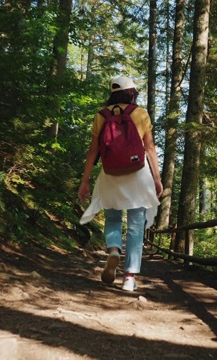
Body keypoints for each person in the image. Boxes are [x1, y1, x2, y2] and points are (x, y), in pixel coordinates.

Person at [78, 76, 163, 291]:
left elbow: (93, 151)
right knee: (136, 224)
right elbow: (150, 148)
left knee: (113, 217)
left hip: (110, 174)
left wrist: (85, 180)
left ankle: (114, 250)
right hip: (138, 174)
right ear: (132, 92)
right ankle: (130, 277)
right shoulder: (140, 113)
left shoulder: (101, 116)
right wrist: (156, 178)